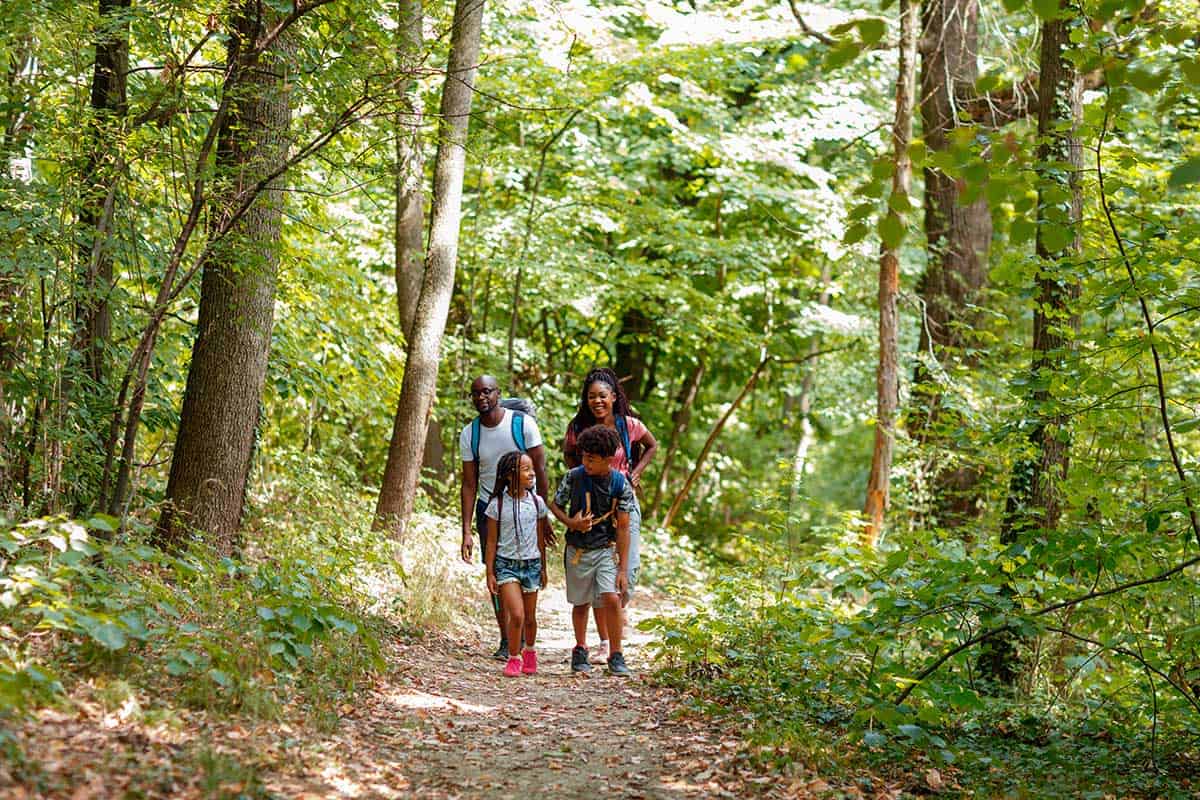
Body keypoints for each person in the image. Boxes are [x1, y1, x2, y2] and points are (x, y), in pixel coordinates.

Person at [562, 367, 658, 662]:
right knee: (597, 573)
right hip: (592, 507)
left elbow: (652, 445)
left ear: (613, 397)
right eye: (591, 397)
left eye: (602, 396)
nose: (597, 401)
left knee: (627, 572)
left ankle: (617, 610)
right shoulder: (577, 427)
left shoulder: (629, 425)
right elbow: (569, 456)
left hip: (624, 503)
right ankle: (605, 643)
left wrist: (636, 473)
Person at [459, 375, 551, 660]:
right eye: (475, 393)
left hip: (526, 507)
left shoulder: (522, 425)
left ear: (498, 393)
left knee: (527, 569)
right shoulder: (469, 434)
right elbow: (469, 483)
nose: (480, 398)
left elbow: (541, 470)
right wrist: (466, 531)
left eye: (486, 391)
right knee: (497, 574)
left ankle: (523, 631)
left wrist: (544, 515)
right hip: (491, 509)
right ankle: (505, 637)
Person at [551, 425, 637, 677]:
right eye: (584, 456)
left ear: (608, 460)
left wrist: (622, 567)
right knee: (581, 603)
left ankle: (616, 653)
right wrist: (571, 523)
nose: (586, 462)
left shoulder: (620, 485)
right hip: (578, 549)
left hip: (605, 549)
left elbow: (623, 527)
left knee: (611, 598)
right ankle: (580, 648)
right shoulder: (574, 477)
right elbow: (555, 505)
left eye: (592, 458)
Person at [484, 451, 548, 677]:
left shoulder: (537, 502)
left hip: (531, 564)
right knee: (517, 615)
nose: (532, 474)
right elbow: (491, 541)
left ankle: (530, 651)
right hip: (506, 565)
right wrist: (489, 572)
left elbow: (540, 537)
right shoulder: (496, 505)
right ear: (511, 474)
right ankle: (514, 657)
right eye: (526, 469)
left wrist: (543, 567)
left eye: (532, 469)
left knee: (530, 618)